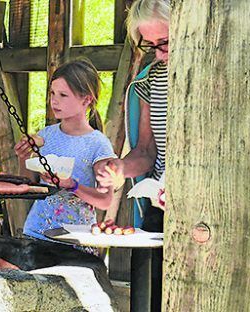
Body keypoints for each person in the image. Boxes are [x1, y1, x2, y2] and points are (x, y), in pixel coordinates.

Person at [95, 0, 169, 310]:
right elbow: (146, 151)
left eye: (165, 43)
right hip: (159, 209)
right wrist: (120, 166)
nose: (160, 54)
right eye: (151, 46)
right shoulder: (150, 80)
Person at [14, 59, 116, 251]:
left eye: (63, 95)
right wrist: (24, 158)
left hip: (75, 241)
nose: (54, 101)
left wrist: (73, 186)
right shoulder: (45, 136)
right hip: (36, 233)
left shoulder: (98, 144)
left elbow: (105, 200)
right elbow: (29, 186)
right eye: (52, 93)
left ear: (86, 100)